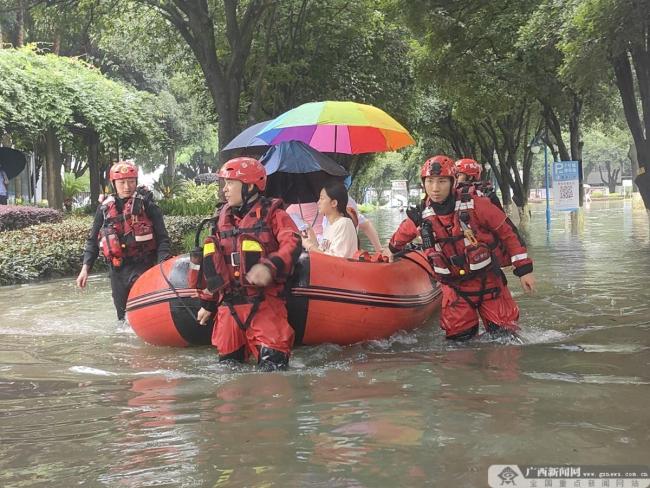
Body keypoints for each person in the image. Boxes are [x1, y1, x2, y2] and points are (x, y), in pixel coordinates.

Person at [384, 155, 536, 341]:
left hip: (489, 283)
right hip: (455, 289)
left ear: (453, 182)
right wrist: (390, 250)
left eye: (441, 181)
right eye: (430, 181)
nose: (435, 188)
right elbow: (401, 236)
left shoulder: (477, 205)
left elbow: (508, 233)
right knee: (458, 347)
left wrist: (524, 270)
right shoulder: (422, 215)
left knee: (506, 340)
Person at [196, 157, 301, 371]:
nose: (225, 190)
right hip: (229, 308)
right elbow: (213, 265)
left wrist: (269, 266)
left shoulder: (275, 215)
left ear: (250, 186)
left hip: (265, 305)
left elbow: (293, 243)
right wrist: (207, 303)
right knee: (227, 378)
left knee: (274, 375)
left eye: (230, 183)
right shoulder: (220, 219)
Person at [76, 161, 171, 321]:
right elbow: (92, 241)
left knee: (144, 316)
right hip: (118, 271)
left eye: (131, 181)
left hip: (144, 267)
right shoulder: (104, 209)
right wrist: (85, 269)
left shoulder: (147, 205)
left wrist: (162, 267)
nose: (127, 186)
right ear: (114, 184)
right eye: (122, 182)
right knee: (122, 319)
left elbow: (163, 238)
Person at [302, 182, 359, 258]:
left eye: (322, 198)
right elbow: (323, 252)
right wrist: (311, 234)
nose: (318, 202)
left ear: (334, 203)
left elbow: (335, 259)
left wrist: (309, 246)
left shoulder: (344, 223)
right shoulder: (330, 225)